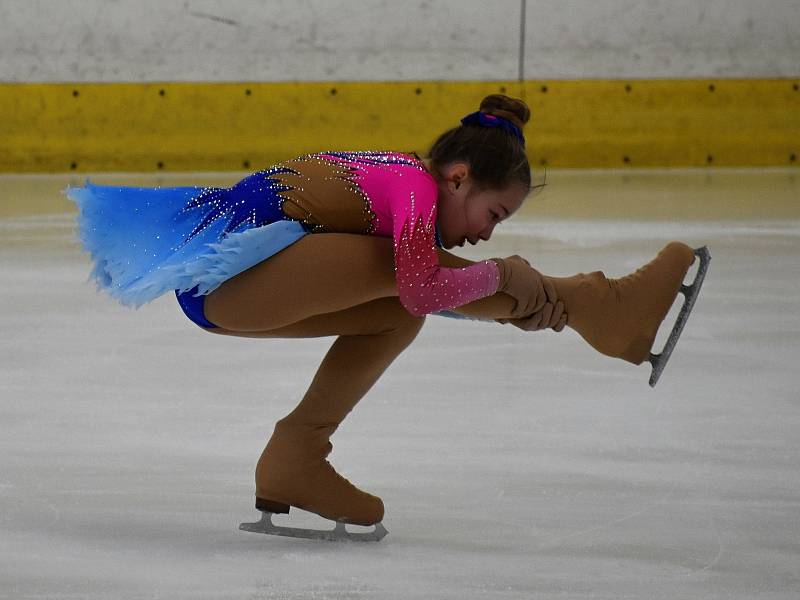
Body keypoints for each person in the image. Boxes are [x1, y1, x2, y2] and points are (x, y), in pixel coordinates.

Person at [66, 94, 700, 536]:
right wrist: (510, 280)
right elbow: (425, 285)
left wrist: (518, 302)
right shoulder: (414, 191)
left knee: (397, 314)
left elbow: (424, 299)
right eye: (494, 216)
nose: (486, 234)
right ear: (458, 179)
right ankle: (599, 306)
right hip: (229, 280)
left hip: (237, 288)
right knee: (402, 280)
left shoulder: (407, 182)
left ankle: (295, 459)